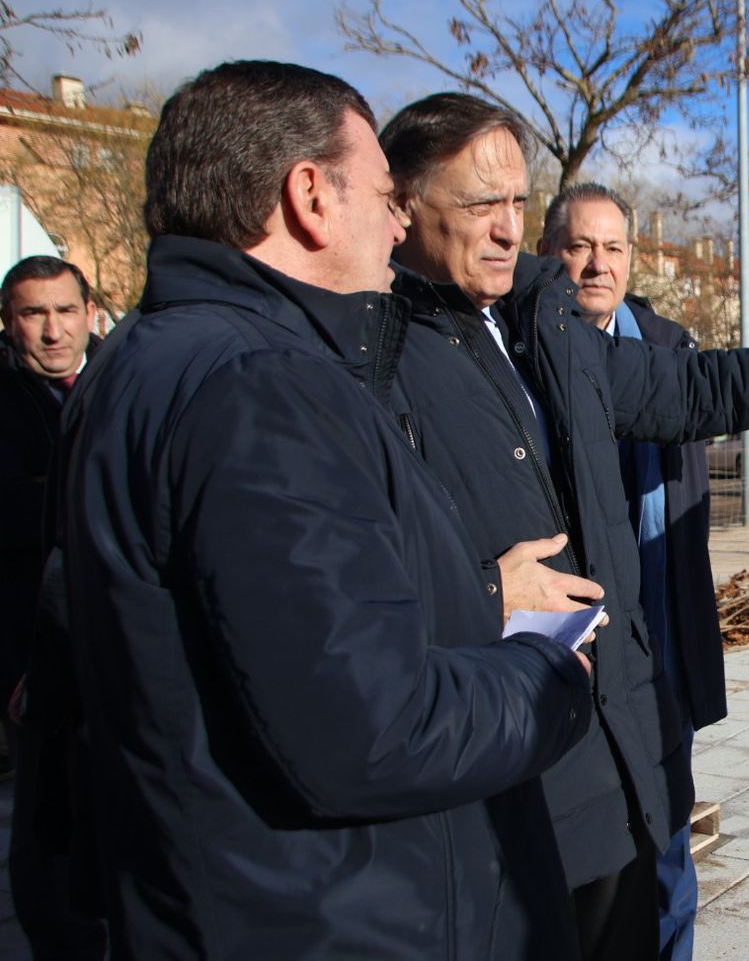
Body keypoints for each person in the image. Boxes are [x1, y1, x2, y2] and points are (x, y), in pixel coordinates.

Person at [53, 61, 594, 959]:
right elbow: (373, 729)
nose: (395, 220)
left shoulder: (134, 363)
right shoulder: (262, 388)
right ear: (309, 193)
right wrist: (550, 683)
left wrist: (478, 594)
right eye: (383, 193)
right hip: (327, 917)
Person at [377, 92, 749, 960]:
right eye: (480, 204)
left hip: (617, 745)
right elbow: (353, 573)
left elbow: (692, 389)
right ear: (403, 203)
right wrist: (482, 593)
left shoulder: (544, 318)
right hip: (506, 767)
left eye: (516, 204)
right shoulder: (370, 352)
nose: (503, 229)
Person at [539, 182, 716, 959]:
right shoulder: (525, 352)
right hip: (573, 645)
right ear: (551, 255)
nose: (596, 263)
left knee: (670, 841)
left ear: (632, 258)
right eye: (578, 245)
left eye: (612, 247)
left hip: (661, 641)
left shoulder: (670, 348)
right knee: (590, 869)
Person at [0, 255, 105, 959]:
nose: (51, 331)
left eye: (64, 311)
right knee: (49, 835)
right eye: (33, 314)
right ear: (9, 323)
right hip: (30, 665)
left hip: (110, 647)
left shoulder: (119, 381)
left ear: (90, 311)